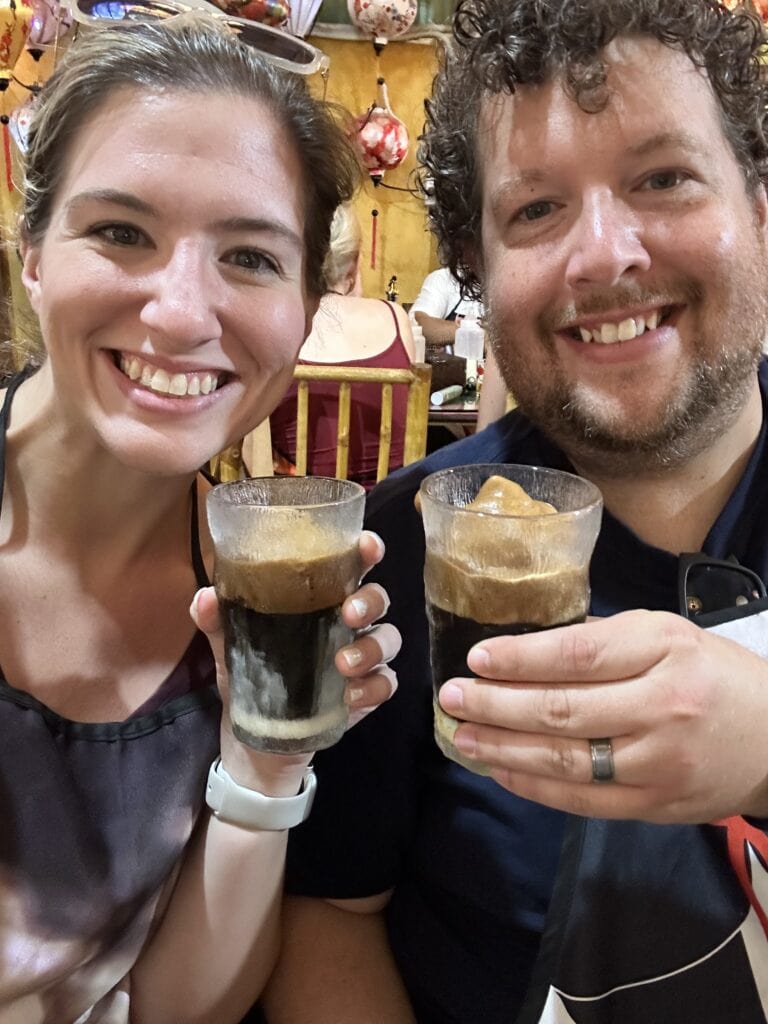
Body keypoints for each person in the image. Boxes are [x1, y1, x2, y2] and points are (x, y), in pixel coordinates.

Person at [263, 1, 768, 1022]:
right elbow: (330, 914)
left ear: (758, 209)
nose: (604, 255)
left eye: (663, 177)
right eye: (536, 210)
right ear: (479, 274)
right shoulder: (386, 557)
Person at [0, 14, 400, 1023]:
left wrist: (265, 759)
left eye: (253, 258)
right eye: (121, 232)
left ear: (308, 307)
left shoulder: (254, 597)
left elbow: (174, 1007)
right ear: (33, 251)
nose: (181, 312)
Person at [269, 202, 416, 489]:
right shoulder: (396, 317)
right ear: (353, 263)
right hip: (387, 515)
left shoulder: (278, 324)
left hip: (299, 512)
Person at [411, 265, 484, 352]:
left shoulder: (500, 285)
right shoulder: (444, 279)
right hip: (452, 364)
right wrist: (479, 336)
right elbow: (420, 324)